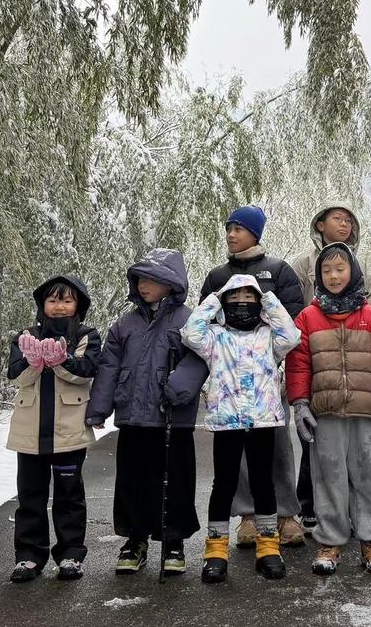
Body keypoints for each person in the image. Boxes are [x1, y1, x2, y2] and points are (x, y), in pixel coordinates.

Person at [86, 249, 209, 576]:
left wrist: (178, 386)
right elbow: (109, 366)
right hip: (133, 416)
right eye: (140, 278)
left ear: (171, 283)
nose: (144, 285)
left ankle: (174, 541)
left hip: (173, 417)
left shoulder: (188, 320)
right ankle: (135, 540)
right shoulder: (125, 324)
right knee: (132, 480)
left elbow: (200, 357)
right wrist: (100, 407)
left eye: (153, 279)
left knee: (175, 481)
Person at [285, 243, 371, 575]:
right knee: (328, 476)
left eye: (340, 268)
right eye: (326, 270)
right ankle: (331, 540)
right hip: (325, 413)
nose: (334, 276)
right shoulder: (307, 318)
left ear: (353, 272)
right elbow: (298, 365)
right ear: (318, 276)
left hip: (363, 412)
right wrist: (300, 404)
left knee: (366, 475)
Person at [199, 205, 307, 548]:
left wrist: (287, 369)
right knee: (235, 459)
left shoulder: (279, 270)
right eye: (228, 228)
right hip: (229, 381)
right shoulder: (217, 276)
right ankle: (248, 517)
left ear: (255, 233)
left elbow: (294, 323)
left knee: (276, 450)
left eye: (239, 228)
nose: (231, 234)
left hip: (267, 378)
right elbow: (205, 325)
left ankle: (286, 515)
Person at [181, 275, 301, 583]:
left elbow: (292, 335)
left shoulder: (269, 336)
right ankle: (216, 551)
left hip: (262, 420)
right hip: (226, 421)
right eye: (234, 298)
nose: (241, 302)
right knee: (224, 484)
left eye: (249, 297)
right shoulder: (215, 337)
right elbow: (190, 334)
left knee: (264, 483)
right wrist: (213, 299)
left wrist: (270, 301)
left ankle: (268, 547)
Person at [6, 276, 101, 582]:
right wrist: (34, 362)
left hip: (68, 432)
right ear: (42, 305)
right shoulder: (25, 335)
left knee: (69, 496)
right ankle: (29, 557)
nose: (59, 307)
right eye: (53, 300)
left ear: (78, 305)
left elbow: (87, 370)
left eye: (67, 300)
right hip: (29, 433)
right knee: (30, 495)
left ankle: (71, 555)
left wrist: (61, 361)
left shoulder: (87, 335)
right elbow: (16, 376)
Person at [287, 203, 369, 529]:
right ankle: (309, 505)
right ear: (320, 224)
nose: (345, 224)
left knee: (353, 441)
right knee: (314, 438)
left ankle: (349, 508)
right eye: (338, 218)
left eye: (349, 220)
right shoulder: (302, 265)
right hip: (316, 357)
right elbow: (291, 312)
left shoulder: (360, 265)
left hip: (352, 361)